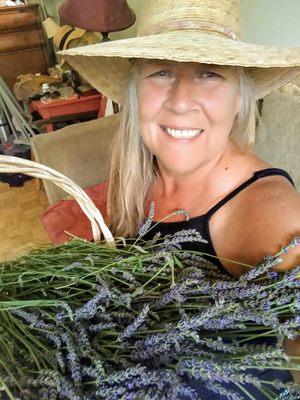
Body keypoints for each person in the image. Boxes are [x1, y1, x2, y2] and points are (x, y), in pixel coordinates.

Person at [58, 0, 300, 397]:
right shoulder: (137, 172)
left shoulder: (268, 214)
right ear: (135, 92)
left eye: (209, 73)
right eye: (162, 72)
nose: (181, 100)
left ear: (239, 97)